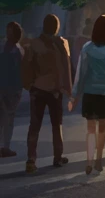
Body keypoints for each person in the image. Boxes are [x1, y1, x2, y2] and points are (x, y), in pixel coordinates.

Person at [68, 15, 105, 175]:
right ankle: (99, 160)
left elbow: (80, 74)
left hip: (90, 93)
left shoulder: (87, 48)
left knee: (90, 129)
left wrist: (74, 96)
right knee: (102, 129)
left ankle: (88, 160)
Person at [22, 13, 72, 173]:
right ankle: (58, 156)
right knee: (57, 125)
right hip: (55, 91)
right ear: (56, 27)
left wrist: (29, 85)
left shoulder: (35, 44)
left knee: (34, 125)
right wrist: (68, 89)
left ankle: (31, 160)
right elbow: (66, 68)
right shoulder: (62, 43)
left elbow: (27, 67)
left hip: (38, 89)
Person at [1, 22, 23, 158]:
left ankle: (4, 147)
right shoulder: (17, 50)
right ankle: (5, 147)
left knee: (4, 118)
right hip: (12, 88)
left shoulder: (4, 48)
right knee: (9, 118)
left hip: (6, 87)